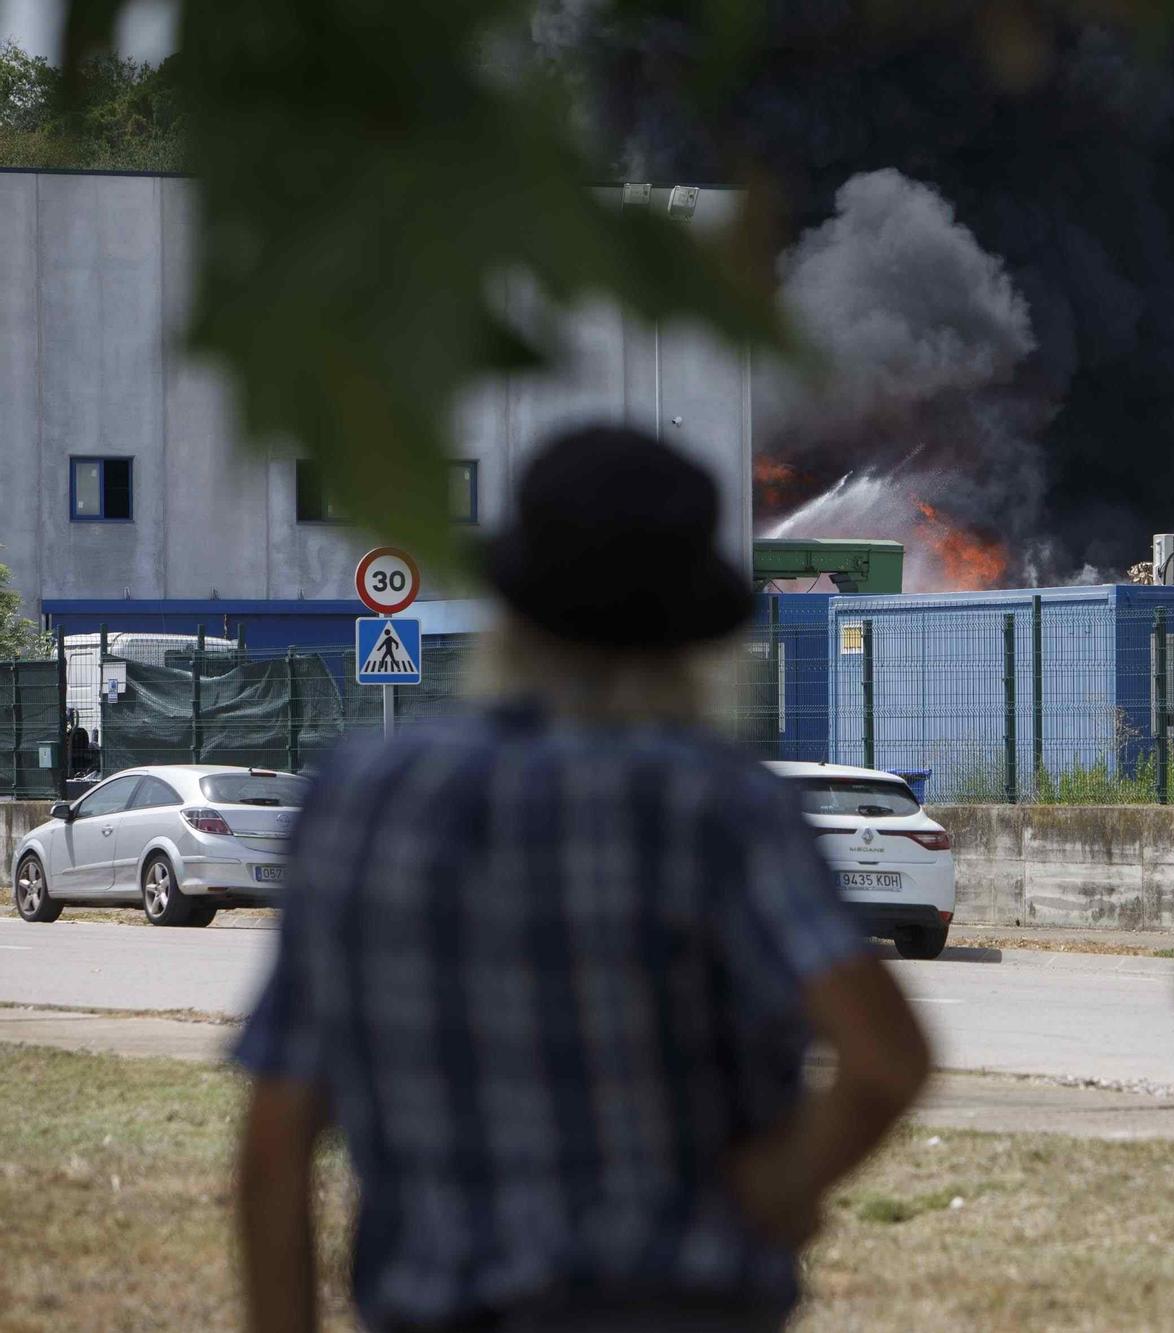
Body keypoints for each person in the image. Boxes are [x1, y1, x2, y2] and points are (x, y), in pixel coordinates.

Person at [233, 426, 931, 1333]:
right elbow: (885, 1059)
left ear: (514, 610)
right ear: (689, 637)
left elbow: (276, 1146)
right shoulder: (719, 805)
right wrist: (771, 1192)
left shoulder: (359, 798)